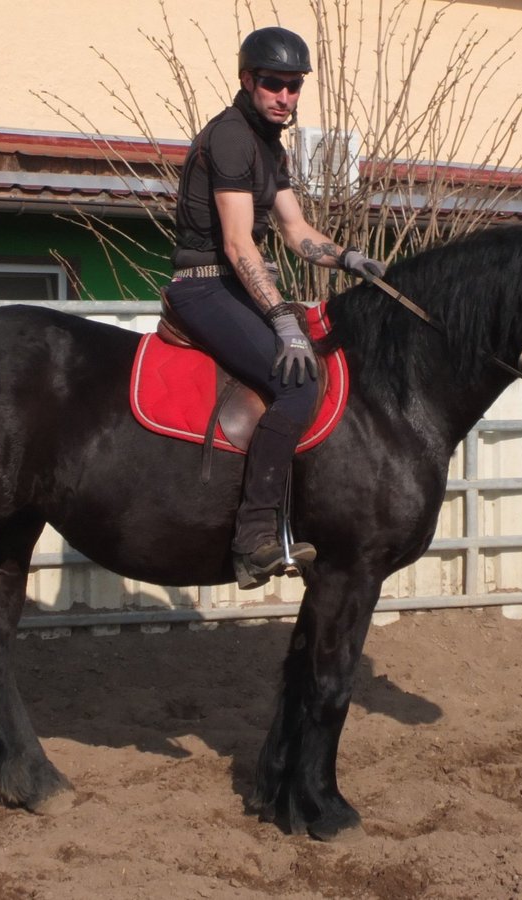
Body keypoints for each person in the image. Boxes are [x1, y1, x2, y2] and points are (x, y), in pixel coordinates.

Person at [164, 26, 386, 589]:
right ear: (247, 80)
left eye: (293, 85)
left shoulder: (269, 144)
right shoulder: (232, 138)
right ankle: (254, 537)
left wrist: (351, 258)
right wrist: (283, 321)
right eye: (273, 84)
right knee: (297, 382)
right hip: (203, 285)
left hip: (234, 286)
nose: (284, 95)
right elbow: (240, 246)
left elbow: (295, 230)